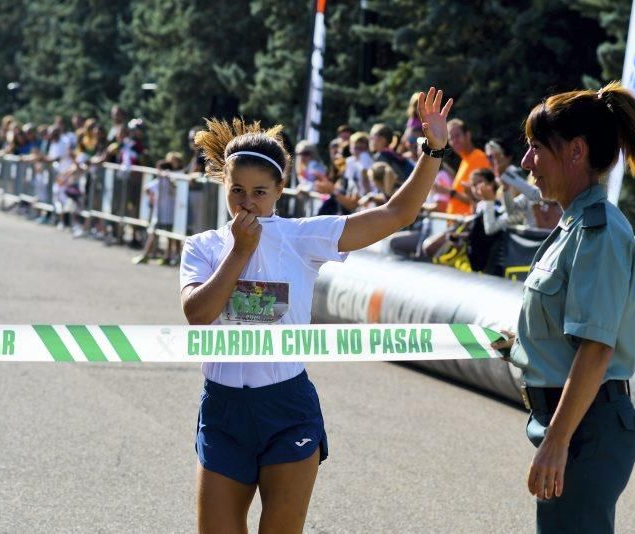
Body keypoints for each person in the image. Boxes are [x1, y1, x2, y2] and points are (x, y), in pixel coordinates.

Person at [180, 87, 453, 533]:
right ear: (222, 186)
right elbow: (197, 314)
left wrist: (434, 147)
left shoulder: (302, 237)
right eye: (237, 192)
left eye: (260, 192)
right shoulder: (203, 247)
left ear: (281, 190)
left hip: (286, 407)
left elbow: (397, 213)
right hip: (224, 408)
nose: (248, 203)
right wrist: (239, 253)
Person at [491, 81, 635, 533]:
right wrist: (522, 343)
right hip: (574, 425)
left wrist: (557, 442)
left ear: (575, 151)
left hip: (584, 431)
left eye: (535, 148)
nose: (526, 162)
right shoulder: (574, 225)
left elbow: (596, 350)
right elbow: (571, 331)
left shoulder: (598, 232)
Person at [446, 118, 490, 216]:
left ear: (468, 135)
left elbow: (482, 198)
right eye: (451, 138)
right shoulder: (464, 161)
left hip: (468, 224)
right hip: (458, 224)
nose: (454, 141)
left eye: (457, 136)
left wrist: (450, 192)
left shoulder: (479, 157)